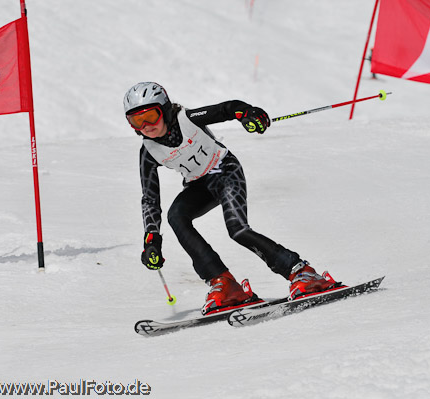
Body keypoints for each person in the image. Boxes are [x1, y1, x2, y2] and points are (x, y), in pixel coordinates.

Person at [124, 82, 336, 316]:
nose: (146, 126)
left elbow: (228, 108)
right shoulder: (148, 151)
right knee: (177, 216)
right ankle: (225, 284)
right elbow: (150, 199)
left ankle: (302, 272)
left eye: (151, 116)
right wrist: (151, 239)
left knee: (237, 229)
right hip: (198, 185)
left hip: (225, 172)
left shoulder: (187, 119)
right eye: (136, 121)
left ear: (164, 110)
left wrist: (248, 114)